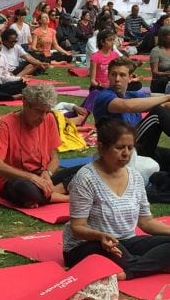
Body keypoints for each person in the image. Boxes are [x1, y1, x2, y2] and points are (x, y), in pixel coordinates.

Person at [63, 118, 170, 279]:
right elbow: (77, 227)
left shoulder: (135, 177)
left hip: (126, 241)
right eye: (119, 148)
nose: (126, 153)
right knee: (122, 256)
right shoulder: (85, 178)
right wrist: (100, 236)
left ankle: (133, 268)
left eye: (130, 148)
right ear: (101, 148)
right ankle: (143, 267)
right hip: (89, 244)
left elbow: (146, 222)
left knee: (129, 254)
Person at [0, 84, 78, 207]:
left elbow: (54, 158)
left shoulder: (49, 119)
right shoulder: (5, 124)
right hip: (18, 180)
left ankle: (44, 195)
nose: (42, 118)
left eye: (46, 112)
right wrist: (31, 177)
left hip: (44, 178)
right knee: (26, 189)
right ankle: (66, 197)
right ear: (25, 104)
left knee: (91, 169)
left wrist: (47, 173)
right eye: (38, 111)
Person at [93, 56, 170, 171]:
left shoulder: (131, 95)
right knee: (157, 113)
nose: (117, 79)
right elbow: (128, 106)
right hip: (119, 149)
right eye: (113, 74)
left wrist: (167, 101)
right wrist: (167, 97)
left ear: (130, 78)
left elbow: (154, 99)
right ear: (108, 76)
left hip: (138, 148)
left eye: (122, 75)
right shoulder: (104, 96)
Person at [149, 27, 170, 94]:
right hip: (160, 82)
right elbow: (154, 72)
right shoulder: (156, 51)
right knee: (165, 80)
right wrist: (167, 74)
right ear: (163, 38)